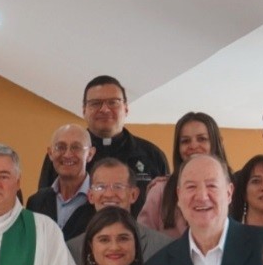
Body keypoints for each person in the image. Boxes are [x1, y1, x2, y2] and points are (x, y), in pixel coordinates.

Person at [38, 76, 168, 216]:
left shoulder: (152, 155)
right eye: (95, 103)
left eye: (113, 102)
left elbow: (167, 210)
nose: (105, 109)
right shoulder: (63, 156)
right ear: (84, 110)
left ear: (126, 108)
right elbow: (45, 205)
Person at [138, 112, 230, 238]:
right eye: (185, 141)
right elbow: (144, 240)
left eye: (202, 139)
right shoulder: (160, 191)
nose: (193, 146)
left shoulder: (238, 185)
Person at [70, 158, 174, 265]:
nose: (109, 194)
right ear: (90, 196)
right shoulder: (71, 250)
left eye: (118, 187)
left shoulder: (164, 247)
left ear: (133, 195)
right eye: (101, 187)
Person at [27, 124, 95, 239]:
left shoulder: (100, 201)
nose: (67, 154)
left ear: (90, 154)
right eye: (60, 147)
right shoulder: (36, 202)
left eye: (76, 147)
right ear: (50, 153)